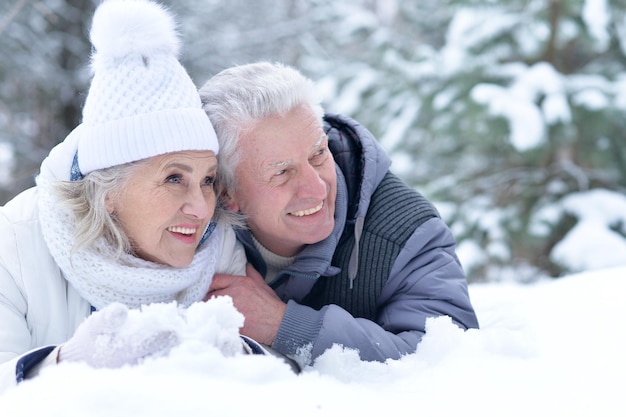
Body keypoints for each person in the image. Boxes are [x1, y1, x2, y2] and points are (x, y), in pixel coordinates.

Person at [0, 0, 253, 394]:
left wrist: (245, 355)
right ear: (107, 191)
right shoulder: (13, 242)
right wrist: (59, 366)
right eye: (173, 178)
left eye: (206, 179)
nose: (203, 208)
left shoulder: (217, 250)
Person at [198, 62, 480, 367]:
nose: (317, 188)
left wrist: (285, 326)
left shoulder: (407, 232)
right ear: (227, 192)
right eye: (282, 172)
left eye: (318, 154)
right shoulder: (190, 229)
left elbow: (451, 359)